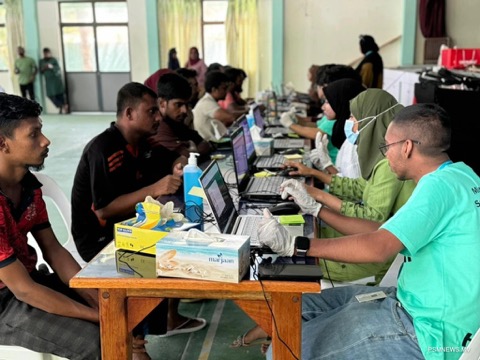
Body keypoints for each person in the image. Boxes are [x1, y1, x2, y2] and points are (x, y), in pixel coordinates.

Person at [260, 103, 480, 359]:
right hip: (414, 301)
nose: (385, 155)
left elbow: (377, 248)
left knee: (283, 350)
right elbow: (380, 231)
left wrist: (296, 245)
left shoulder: (437, 187)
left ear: (407, 147)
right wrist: (317, 209)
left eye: (387, 147)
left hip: (430, 331)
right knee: (297, 308)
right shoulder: (463, 175)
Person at [71, 82, 206, 358]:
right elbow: (104, 211)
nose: (158, 117)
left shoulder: (143, 142)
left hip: (131, 226)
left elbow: (172, 157)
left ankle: (164, 320)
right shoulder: (104, 149)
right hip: (99, 237)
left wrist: (177, 164)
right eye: (152, 111)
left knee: (180, 233)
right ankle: (135, 343)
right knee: (159, 254)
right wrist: (154, 189)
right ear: (129, 114)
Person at [0, 93, 100, 359]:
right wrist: (95, 315)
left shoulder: (29, 186)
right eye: (34, 134)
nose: (46, 141)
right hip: (4, 302)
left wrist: (95, 297)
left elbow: (54, 250)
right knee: (95, 341)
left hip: (28, 280)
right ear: (3, 143)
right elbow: (23, 290)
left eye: (41, 131)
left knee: (117, 308)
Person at [285, 89, 416, 283]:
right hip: (367, 236)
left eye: (354, 117)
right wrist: (314, 174)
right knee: (299, 230)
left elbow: (371, 219)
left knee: (288, 260)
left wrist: (318, 199)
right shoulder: (379, 155)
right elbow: (358, 187)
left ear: (371, 119)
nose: (350, 122)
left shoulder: (390, 164)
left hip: (375, 252)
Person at [147, 73, 212, 161]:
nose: (184, 110)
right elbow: (184, 156)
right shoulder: (158, 127)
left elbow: (204, 144)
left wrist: (194, 152)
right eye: (178, 104)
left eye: (186, 104)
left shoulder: (176, 123)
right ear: (162, 103)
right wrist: (192, 152)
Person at [193, 70, 236, 141]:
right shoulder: (206, 103)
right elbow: (230, 117)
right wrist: (247, 110)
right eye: (224, 88)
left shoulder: (209, 100)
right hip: (209, 145)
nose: (226, 91)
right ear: (214, 89)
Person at [39, 48, 69, 114]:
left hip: (56, 80)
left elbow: (58, 68)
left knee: (60, 94)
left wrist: (51, 67)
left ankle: (63, 108)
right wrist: (45, 67)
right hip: (48, 81)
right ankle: (61, 105)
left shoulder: (53, 60)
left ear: (49, 53)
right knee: (50, 95)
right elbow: (41, 71)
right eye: (45, 53)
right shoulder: (42, 61)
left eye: (47, 53)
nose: (46, 55)